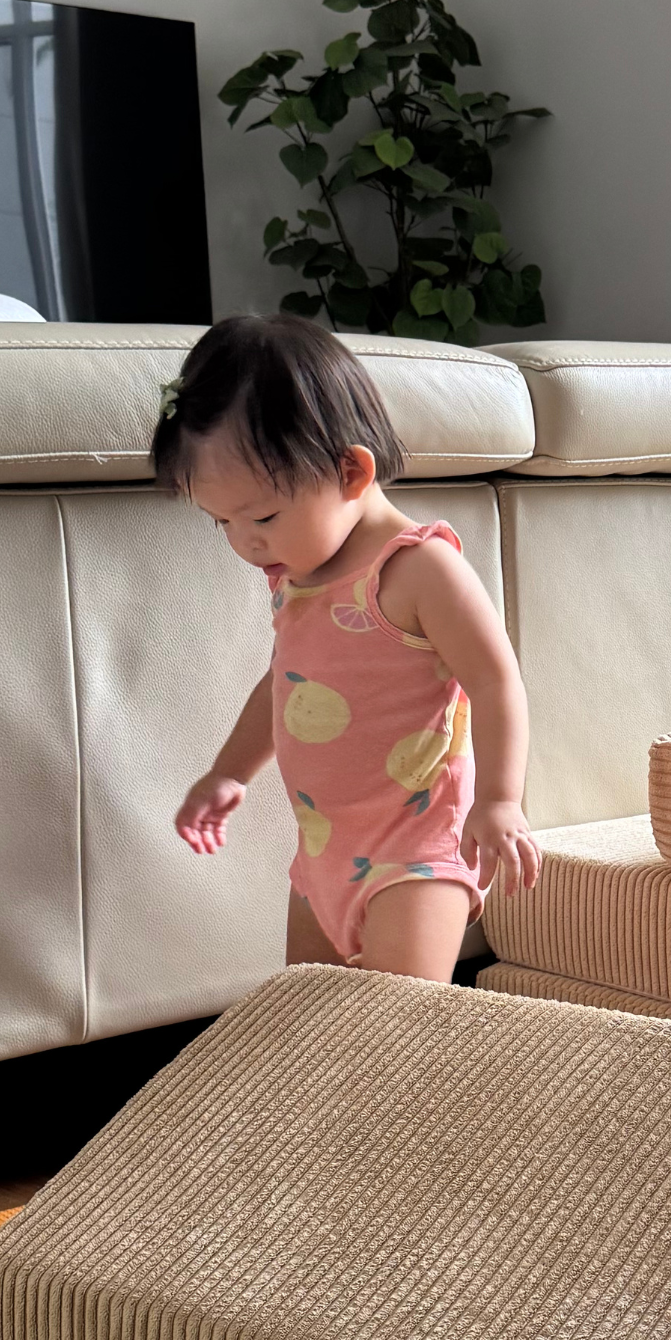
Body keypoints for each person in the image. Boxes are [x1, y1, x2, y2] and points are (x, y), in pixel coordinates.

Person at [158, 315, 539, 980]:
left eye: (263, 516)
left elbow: (494, 680)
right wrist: (228, 772)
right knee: (314, 1019)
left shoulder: (419, 568)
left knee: (394, 1020)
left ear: (351, 471)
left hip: (416, 852)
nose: (246, 543)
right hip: (323, 855)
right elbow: (285, 682)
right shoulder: (295, 577)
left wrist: (501, 799)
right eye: (222, 522)